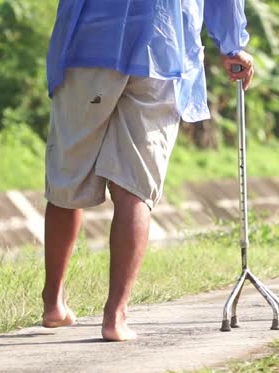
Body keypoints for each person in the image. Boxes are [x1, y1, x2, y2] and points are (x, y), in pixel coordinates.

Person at [41, 0, 255, 341]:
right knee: (134, 190)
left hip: (89, 44)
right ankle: (116, 316)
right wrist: (232, 46)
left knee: (67, 180)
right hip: (161, 49)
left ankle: (53, 302)